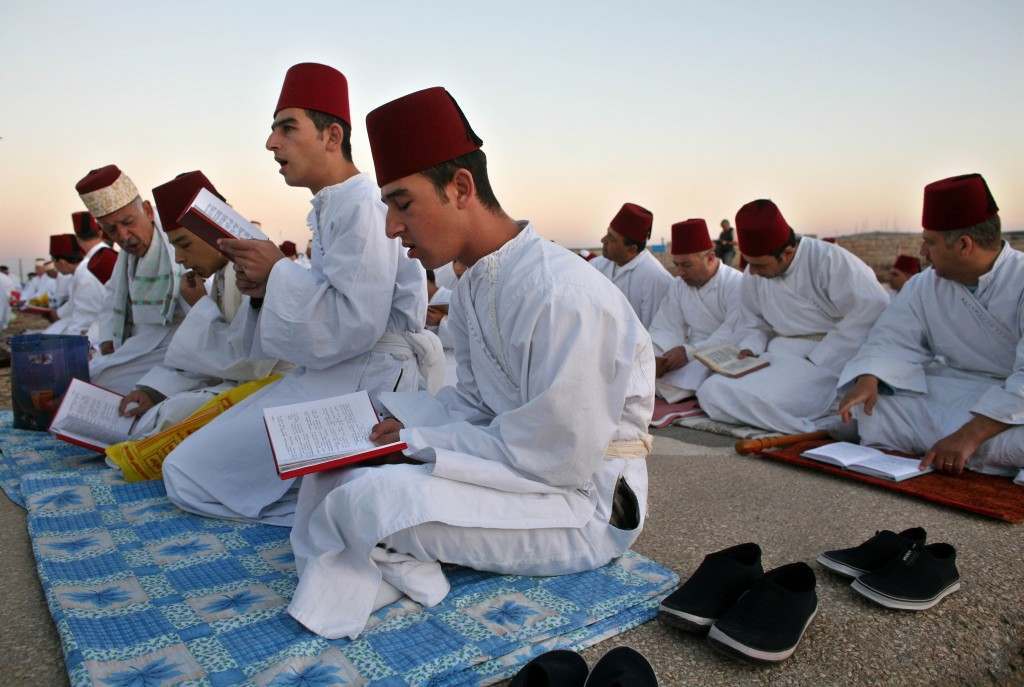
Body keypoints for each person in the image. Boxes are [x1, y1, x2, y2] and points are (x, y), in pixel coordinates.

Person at [285, 86, 655, 640]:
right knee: (338, 477)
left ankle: (396, 566)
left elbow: (556, 454)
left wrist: (417, 445)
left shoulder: (563, 294)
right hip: (527, 472)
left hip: (584, 505)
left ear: (460, 188)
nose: (390, 227)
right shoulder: (479, 280)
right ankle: (390, 552)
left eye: (402, 203)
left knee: (368, 501)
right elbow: (477, 402)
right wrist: (403, 429)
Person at [162, 62, 432, 525]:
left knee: (189, 473)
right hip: (334, 374)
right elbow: (329, 307)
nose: (271, 143)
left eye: (287, 128)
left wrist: (278, 272)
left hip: (365, 381)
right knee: (188, 466)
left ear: (331, 136)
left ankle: (346, 497)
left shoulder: (362, 205)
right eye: (273, 131)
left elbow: (356, 325)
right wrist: (268, 286)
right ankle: (333, 490)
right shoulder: (334, 204)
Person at [838, 173, 1023, 476]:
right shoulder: (924, 285)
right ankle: (979, 458)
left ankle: (964, 450)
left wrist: (969, 435)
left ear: (964, 245)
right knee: (875, 407)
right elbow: (892, 338)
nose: (922, 253)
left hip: (1012, 408)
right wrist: (869, 378)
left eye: (930, 242)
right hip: (957, 394)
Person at [115, 171, 289, 436]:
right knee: (155, 415)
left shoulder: (250, 268)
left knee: (161, 420)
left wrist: (200, 307)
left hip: (275, 391)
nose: (180, 258)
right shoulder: (223, 272)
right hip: (244, 386)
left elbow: (250, 362)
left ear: (214, 230)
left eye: (184, 244)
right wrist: (153, 390)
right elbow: (211, 358)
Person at [696, 199, 889, 434]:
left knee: (752, 398)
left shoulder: (829, 260)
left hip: (824, 362)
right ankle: (804, 427)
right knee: (711, 391)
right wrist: (750, 348)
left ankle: (810, 427)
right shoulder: (752, 273)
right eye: (749, 263)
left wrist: (820, 357)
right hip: (773, 358)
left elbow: (872, 308)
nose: (752, 272)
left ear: (787, 253)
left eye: (760, 265)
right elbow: (754, 322)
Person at [76, 165, 188, 394]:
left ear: (147, 210)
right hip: (138, 344)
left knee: (99, 381)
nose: (123, 237)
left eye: (128, 222)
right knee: (88, 376)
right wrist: (107, 336)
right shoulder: (126, 256)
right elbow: (111, 296)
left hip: (176, 348)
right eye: (112, 230)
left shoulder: (177, 244)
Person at [649, 218, 743, 401]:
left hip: (721, 352)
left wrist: (689, 352)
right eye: (676, 265)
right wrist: (658, 357)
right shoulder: (678, 286)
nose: (679, 272)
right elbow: (666, 326)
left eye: (686, 265)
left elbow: (734, 331)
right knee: (642, 370)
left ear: (710, 257)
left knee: (714, 386)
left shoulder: (735, 283)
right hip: (688, 353)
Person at [589, 203, 673, 327]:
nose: (603, 240)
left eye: (611, 238)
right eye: (607, 233)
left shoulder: (656, 279)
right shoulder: (596, 266)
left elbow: (653, 333)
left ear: (632, 249)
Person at [43, 212, 117, 343]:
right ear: (100, 233)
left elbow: (87, 317)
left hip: (103, 333)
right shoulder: (94, 261)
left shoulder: (91, 266)